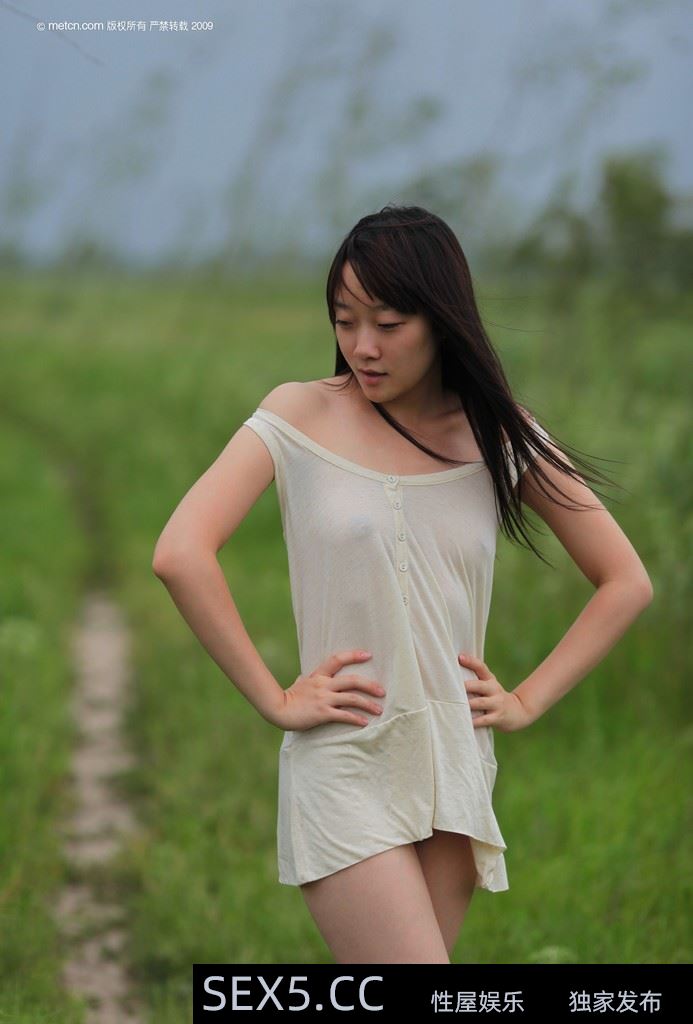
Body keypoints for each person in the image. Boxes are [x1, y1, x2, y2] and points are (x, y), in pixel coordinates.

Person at [152, 204, 653, 965]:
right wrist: (275, 698)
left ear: (442, 321)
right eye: (345, 320)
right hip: (345, 756)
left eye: (387, 324)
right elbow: (181, 552)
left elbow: (624, 581)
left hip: (453, 760)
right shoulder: (299, 414)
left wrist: (526, 700)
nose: (363, 346)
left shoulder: (498, 435)